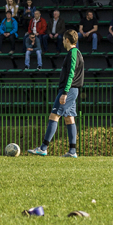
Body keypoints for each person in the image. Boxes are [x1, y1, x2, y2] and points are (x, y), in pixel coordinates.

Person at [28, 29, 84, 158]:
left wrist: (65, 92)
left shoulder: (73, 53)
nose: (63, 42)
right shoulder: (76, 52)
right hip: (73, 89)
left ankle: (43, 148)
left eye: (64, 39)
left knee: (54, 116)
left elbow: (71, 73)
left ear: (67, 40)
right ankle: (72, 151)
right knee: (69, 118)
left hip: (69, 89)